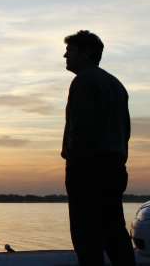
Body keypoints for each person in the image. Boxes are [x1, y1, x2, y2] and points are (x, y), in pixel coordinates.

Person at [62, 30, 135, 266]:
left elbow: (81, 127)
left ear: (87, 53)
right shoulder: (116, 85)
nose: (65, 55)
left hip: (88, 168)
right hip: (114, 167)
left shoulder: (83, 81)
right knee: (114, 231)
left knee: (86, 236)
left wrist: (73, 158)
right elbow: (126, 130)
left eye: (70, 51)